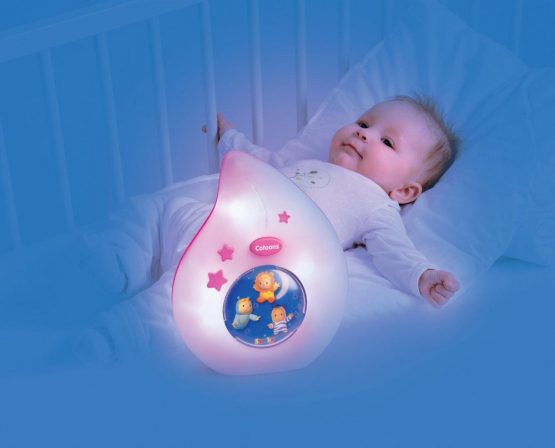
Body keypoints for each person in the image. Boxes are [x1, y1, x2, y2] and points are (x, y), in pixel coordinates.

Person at [76, 95, 461, 364]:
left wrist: (423, 276)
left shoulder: (376, 203)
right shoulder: (304, 164)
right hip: (218, 224)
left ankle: (118, 334)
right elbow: (253, 160)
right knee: (161, 205)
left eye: (387, 141)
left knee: (185, 288)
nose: (364, 133)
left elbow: (395, 251)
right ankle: (119, 263)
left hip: (257, 252)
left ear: (405, 191)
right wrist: (228, 136)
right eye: (363, 123)